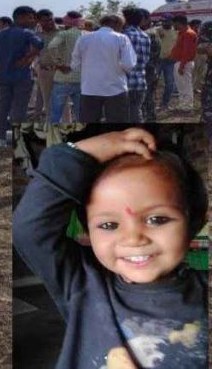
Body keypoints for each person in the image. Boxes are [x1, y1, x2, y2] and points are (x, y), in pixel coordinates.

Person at [13, 128, 208, 368]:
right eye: (108, 225)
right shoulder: (81, 282)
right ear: (88, 230)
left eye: (157, 219)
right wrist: (82, 152)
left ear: (193, 221)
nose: (133, 238)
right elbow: (30, 229)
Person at [0, 6, 43, 147]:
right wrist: (28, 57)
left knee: (3, 107)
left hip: (4, 77)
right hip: (22, 76)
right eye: (30, 17)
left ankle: (1, 139)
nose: (32, 21)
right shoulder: (27, 33)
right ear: (20, 18)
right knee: (20, 108)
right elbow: (40, 44)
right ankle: (18, 139)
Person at [71, 15, 136, 123]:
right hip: (116, 88)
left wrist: (88, 72)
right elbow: (128, 64)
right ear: (117, 24)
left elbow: (75, 65)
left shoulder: (83, 38)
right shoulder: (121, 38)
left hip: (90, 88)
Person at [48, 11, 85, 123]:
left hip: (63, 77)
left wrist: (59, 63)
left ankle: (53, 137)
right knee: (80, 113)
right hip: (81, 78)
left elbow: (51, 47)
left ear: (70, 19)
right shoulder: (86, 35)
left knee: (55, 113)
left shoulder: (64, 34)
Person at [122, 7, 151, 123]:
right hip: (140, 82)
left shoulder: (123, 36)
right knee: (136, 112)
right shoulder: (145, 36)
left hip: (124, 82)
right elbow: (146, 59)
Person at [33, 9, 60, 121]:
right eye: (45, 21)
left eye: (51, 19)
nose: (49, 23)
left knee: (63, 102)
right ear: (39, 22)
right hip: (44, 71)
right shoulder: (37, 35)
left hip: (61, 71)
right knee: (48, 101)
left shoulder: (63, 32)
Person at [169, 15, 198, 112]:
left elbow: (187, 52)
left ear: (179, 23)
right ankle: (183, 105)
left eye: (175, 23)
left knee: (186, 85)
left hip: (184, 63)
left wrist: (181, 66)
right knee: (181, 86)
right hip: (181, 62)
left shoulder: (188, 34)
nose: (173, 25)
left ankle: (187, 106)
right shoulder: (183, 33)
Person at [143, 11, 162, 122]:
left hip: (147, 71)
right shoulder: (153, 34)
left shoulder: (148, 35)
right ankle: (150, 118)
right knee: (149, 97)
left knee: (146, 98)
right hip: (152, 70)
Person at [156, 18, 179, 111]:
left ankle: (164, 104)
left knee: (170, 84)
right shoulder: (157, 30)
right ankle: (148, 104)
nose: (165, 23)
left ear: (171, 22)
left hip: (170, 61)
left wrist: (174, 55)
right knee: (152, 82)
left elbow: (178, 46)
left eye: (167, 21)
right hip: (158, 60)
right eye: (164, 21)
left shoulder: (176, 32)